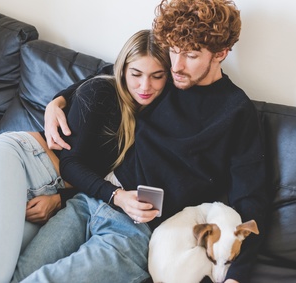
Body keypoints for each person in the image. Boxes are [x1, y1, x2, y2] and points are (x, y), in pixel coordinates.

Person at [14, 0, 268, 282]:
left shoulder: (236, 111)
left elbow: (251, 199)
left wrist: (238, 275)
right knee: (20, 272)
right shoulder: (161, 78)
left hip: (137, 229)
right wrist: (57, 101)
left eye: (192, 56)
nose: (177, 66)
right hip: (89, 201)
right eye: (173, 51)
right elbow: (114, 72)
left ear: (221, 53)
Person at [0, 29, 170, 283]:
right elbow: (70, 164)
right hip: (18, 162)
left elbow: (83, 174)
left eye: (156, 76)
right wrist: (117, 197)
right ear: (123, 70)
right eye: (136, 74)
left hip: (42, 193)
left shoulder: (150, 111)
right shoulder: (103, 94)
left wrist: (60, 198)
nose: (145, 86)